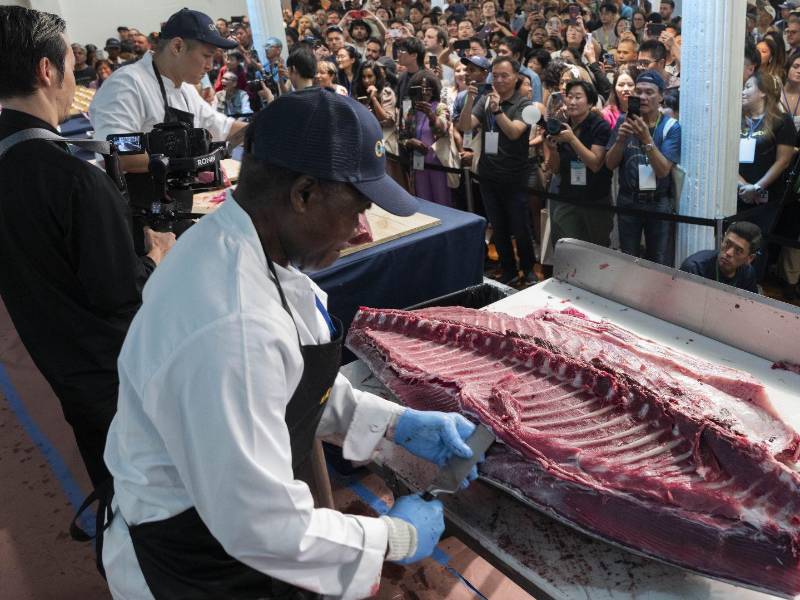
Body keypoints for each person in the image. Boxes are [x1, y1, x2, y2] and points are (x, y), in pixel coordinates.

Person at [102, 87, 481, 599]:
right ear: (303, 194)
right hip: (193, 555)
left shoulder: (240, 245)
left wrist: (396, 423)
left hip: (220, 522)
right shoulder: (232, 326)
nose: (364, 231)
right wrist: (395, 537)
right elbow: (260, 524)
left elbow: (286, 383)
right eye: (358, 208)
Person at [0, 6, 175, 487]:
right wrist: (158, 253)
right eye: (69, 63)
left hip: (59, 363)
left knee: (109, 483)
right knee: (149, 491)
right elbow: (124, 293)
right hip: (115, 378)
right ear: (46, 70)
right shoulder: (74, 180)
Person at [89, 8, 248, 204]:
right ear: (177, 46)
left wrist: (264, 127)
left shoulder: (185, 89)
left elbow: (221, 127)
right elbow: (113, 147)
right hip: (136, 210)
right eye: (206, 55)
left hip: (176, 204)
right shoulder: (127, 84)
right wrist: (179, 160)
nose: (209, 66)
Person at [458, 56, 536, 286]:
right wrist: (470, 99)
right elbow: (465, 126)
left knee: (520, 228)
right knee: (498, 227)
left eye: (505, 75)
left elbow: (514, 132)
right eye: (496, 75)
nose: (499, 80)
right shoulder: (484, 99)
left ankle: (528, 270)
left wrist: (498, 111)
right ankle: (508, 269)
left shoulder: (525, 105)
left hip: (514, 177)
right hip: (488, 175)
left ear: (516, 77)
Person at [605, 70, 681, 265]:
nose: (643, 97)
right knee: (628, 258)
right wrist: (620, 140)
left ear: (661, 96)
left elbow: (663, 171)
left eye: (649, 92)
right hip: (627, 199)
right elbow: (610, 164)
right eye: (638, 92)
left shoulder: (671, 127)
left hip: (658, 202)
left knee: (658, 260)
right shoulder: (623, 120)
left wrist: (646, 138)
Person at [544, 79, 613, 247]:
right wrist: (552, 150)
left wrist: (572, 139)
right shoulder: (561, 126)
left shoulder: (600, 127)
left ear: (590, 102)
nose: (572, 102)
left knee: (596, 250)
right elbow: (555, 169)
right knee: (567, 248)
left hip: (595, 200)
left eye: (578, 97)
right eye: (569, 96)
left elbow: (595, 164)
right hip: (568, 197)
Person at [737, 71, 795, 271]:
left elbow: (783, 161)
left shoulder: (782, 121)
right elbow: (727, 159)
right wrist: (744, 186)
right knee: (734, 240)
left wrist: (756, 187)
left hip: (766, 197)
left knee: (757, 244)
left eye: (748, 87)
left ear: (763, 92)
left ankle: (752, 283)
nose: (742, 92)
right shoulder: (737, 120)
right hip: (738, 193)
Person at [399, 69, 454, 206]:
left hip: (438, 165)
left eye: (428, 88)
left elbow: (442, 128)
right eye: (421, 88)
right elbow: (401, 137)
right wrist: (410, 142)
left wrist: (431, 115)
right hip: (419, 167)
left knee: (442, 203)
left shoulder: (440, 107)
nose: (425, 92)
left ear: (434, 89)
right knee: (424, 203)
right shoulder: (410, 111)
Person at [681, 222, 761, 294]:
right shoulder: (695, 268)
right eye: (727, 244)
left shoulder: (748, 273)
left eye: (738, 251)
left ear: (749, 258)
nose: (728, 253)